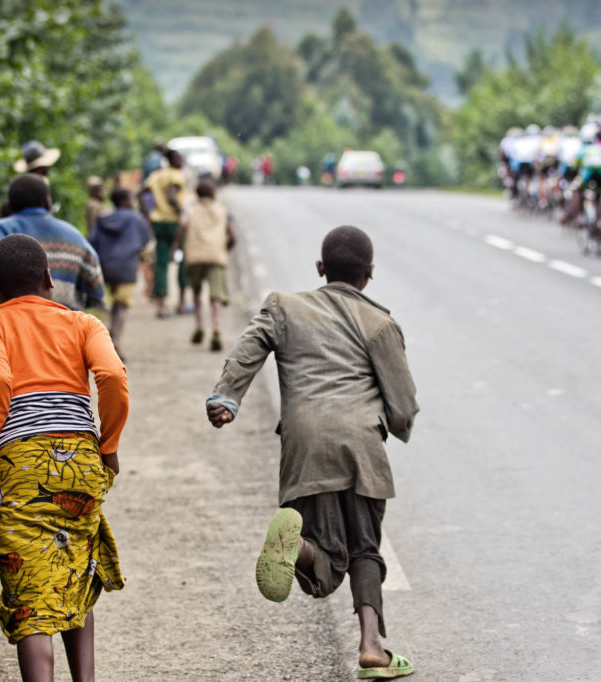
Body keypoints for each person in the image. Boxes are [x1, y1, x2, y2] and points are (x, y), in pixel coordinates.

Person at [206, 226, 419, 679]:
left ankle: (301, 548)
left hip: (304, 445)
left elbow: (249, 348)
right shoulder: (380, 324)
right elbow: (402, 407)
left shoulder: (285, 307)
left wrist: (227, 398)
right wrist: (397, 424)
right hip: (360, 446)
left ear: (320, 269)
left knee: (325, 557)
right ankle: (372, 647)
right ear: (370, 274)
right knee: (365, 550)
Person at [0, 234, 128, 681]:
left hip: (18, 463)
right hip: (79, 456)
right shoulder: (84, 324)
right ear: (49, 279)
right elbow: (112, 376)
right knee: (75, 567)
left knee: (30, 588)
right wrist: (107, 445)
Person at [0, 173, 105, 311]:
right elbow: (96, 289)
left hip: (10, 325)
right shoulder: (75, 236)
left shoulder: (0, 229)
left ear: (10, 206)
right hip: (64, 326)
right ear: (48, 202)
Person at [89, 186, 153, 358]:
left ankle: (106, 336)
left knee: (106, 303)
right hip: (126, 268)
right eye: (132, 198)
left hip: (104, 267)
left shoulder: (102, 219)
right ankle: (115, 337)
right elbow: (145, 244)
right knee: (122, 305)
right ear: (125, 201)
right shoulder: (136, 218)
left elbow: (92, 242)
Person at [172, 180, 235, 352]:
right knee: (216, 296)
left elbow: (181, 229)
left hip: (195, 257)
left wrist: (175, 248)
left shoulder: (190, 211)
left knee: (197, 292)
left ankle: (199, 325)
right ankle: (216, 328)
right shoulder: (221, 211)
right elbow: (232, 236)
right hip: (216, 257)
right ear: (213, 193)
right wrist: (224, 250)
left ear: (198, 194)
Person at [142, 149, 192, 317]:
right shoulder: (176, 175)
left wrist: (148, 213)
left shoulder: (156, 175)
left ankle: (161, 306)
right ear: (171, 160)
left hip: (159, 222)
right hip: (175, 223)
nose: (181, 160)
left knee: (161, 263)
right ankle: (182, 303)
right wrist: (181, 212)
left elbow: (142, 193)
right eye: (178, 158)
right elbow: (172, 196)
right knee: (183, 260)